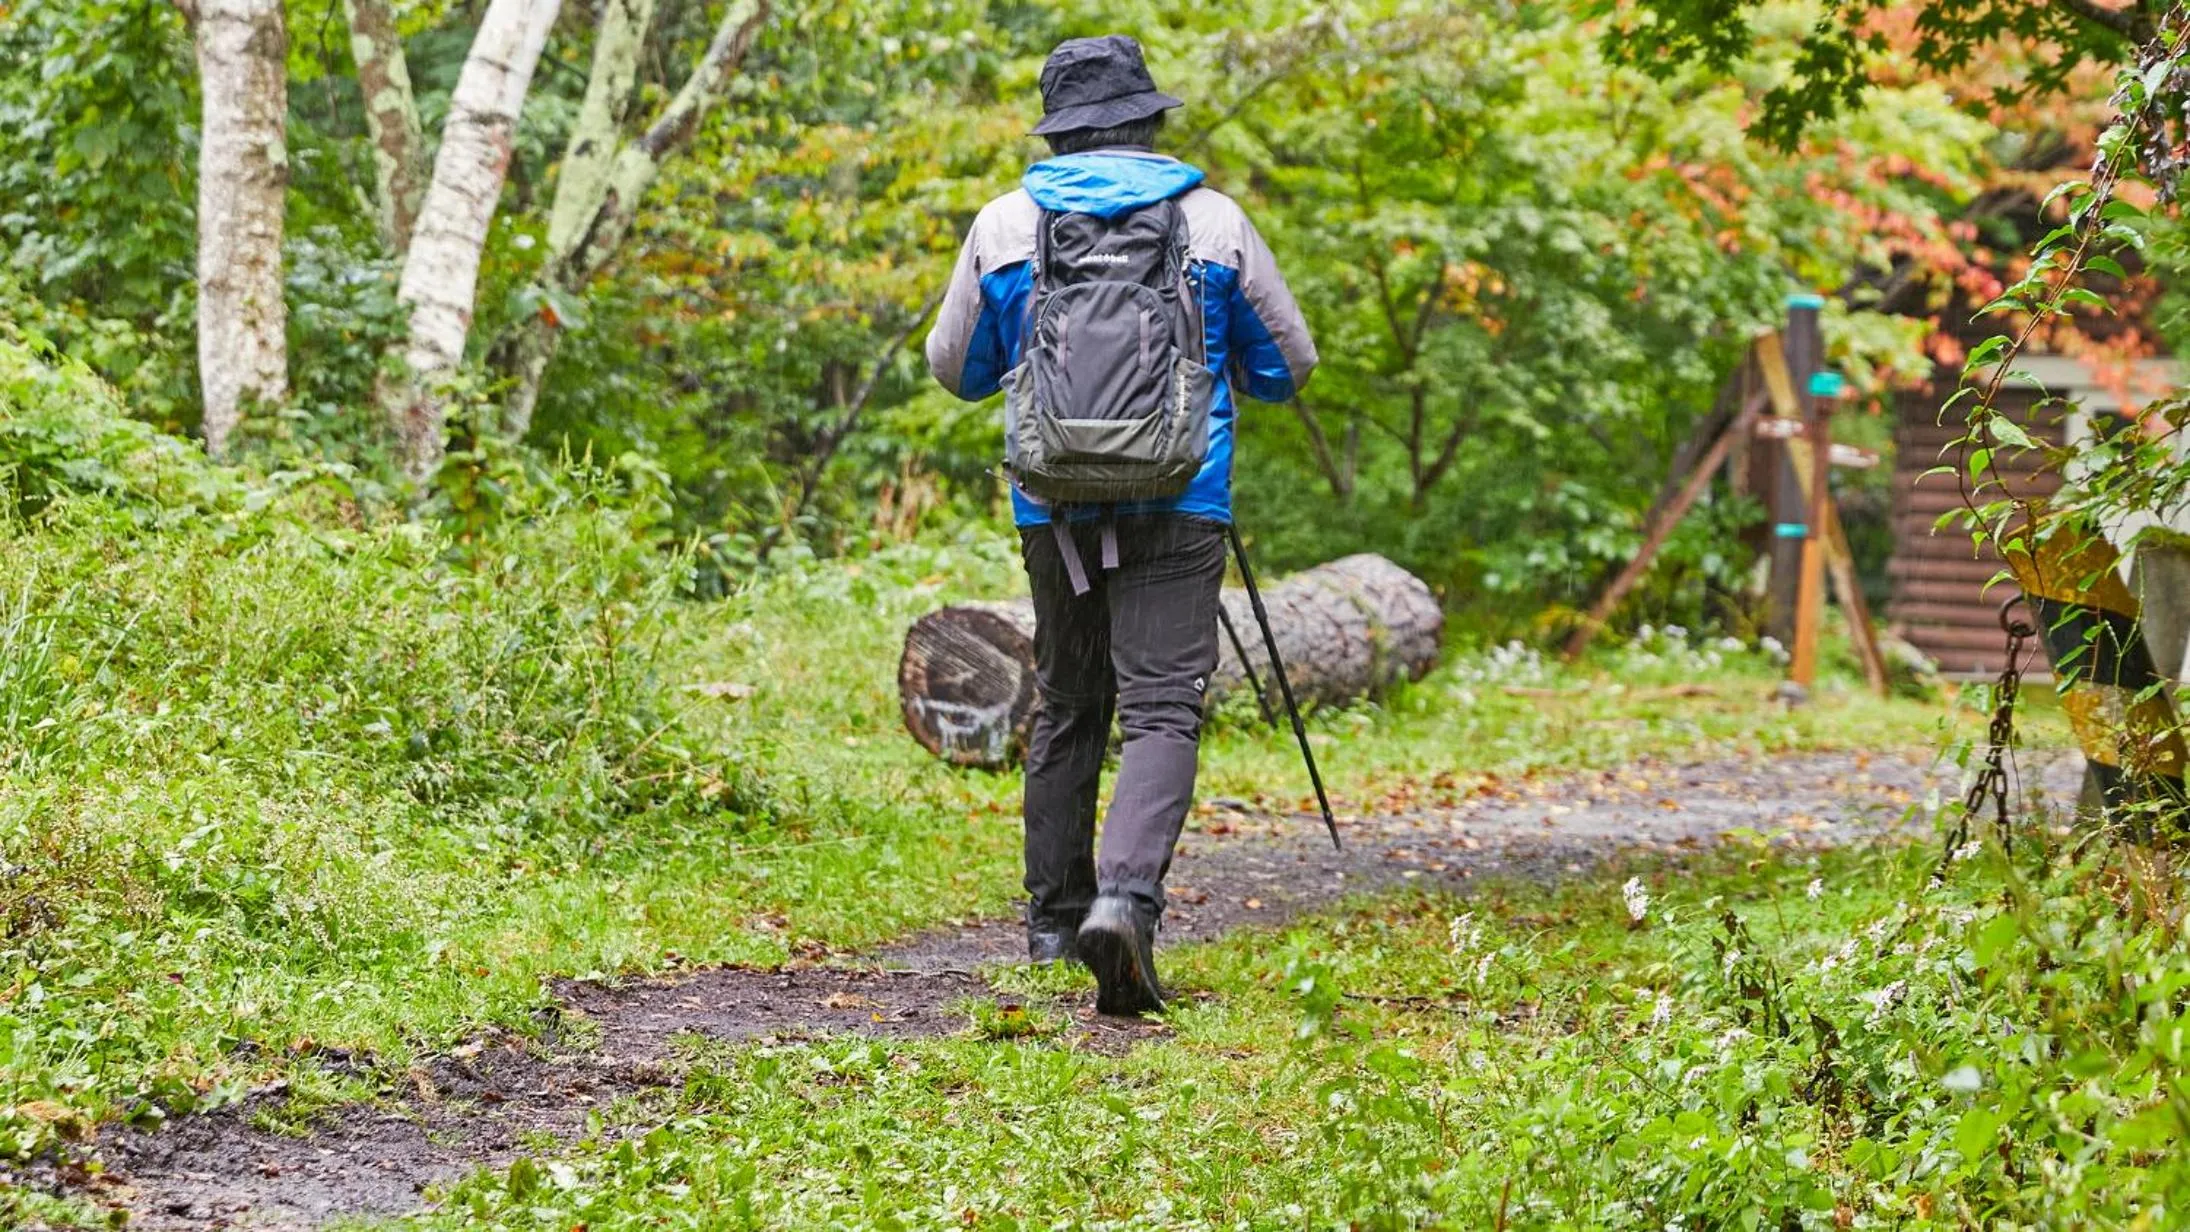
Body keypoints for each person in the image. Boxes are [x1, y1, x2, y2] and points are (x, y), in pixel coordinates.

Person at [924, 34, 1316, 1015]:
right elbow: (1288, 364)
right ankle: (1126, 902)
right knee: (1162, 709)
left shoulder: (1007, 223)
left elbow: (956, 368)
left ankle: (1055, 922)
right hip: (1182, 496)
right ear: (1149, 120)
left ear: (1058, 133)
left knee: (1066, 701)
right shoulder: (1214, 220)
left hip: (1052, 502)